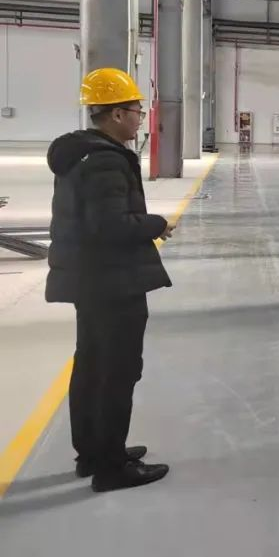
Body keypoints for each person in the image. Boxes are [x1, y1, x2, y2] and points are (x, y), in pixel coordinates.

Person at [46, 67, 173, 492]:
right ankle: (112, 467)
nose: (141, 119)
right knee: (118, 371)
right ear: (116, 114)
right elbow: (110, 226)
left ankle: (93, 453)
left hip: (92, 280)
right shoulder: (105, 160)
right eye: (137, 111)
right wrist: (156, 223)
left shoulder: (81, 153)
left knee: (91, 365)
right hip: (112, 281)